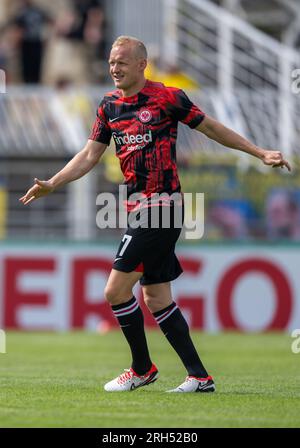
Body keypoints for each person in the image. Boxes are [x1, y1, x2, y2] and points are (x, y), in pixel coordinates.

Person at [20, 35, 291, 393]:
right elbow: (89, 155)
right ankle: (199, 376)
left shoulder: (167, 98)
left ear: (140, 65)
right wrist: (54, 182)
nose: (114, 68)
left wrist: (258, 152)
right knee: (157, 298)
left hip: (162, 207)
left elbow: (211, 127)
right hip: (137, 209)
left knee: (115, 291)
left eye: (121, 62)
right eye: (111, 62)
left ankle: (142, 368)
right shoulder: (109, 106)